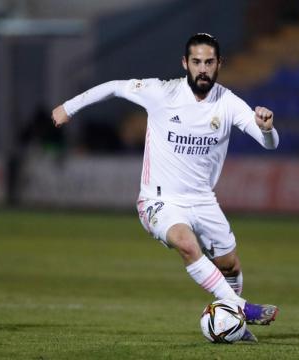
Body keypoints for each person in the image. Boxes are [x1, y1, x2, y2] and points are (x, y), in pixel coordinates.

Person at [51, 33, 279, 342]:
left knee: (229, 264)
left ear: (219, 65)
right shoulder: (162, 92)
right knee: (186, 244)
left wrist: (267, 129)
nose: (202, 68)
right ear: (185, 63)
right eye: (196, 62)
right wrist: (69, 107)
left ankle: (232, 326)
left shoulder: (228, 102)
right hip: (158, 201)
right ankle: (240, 308)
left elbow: (268, 143)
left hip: (203, 200)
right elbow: (115, 86)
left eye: (209, 62)